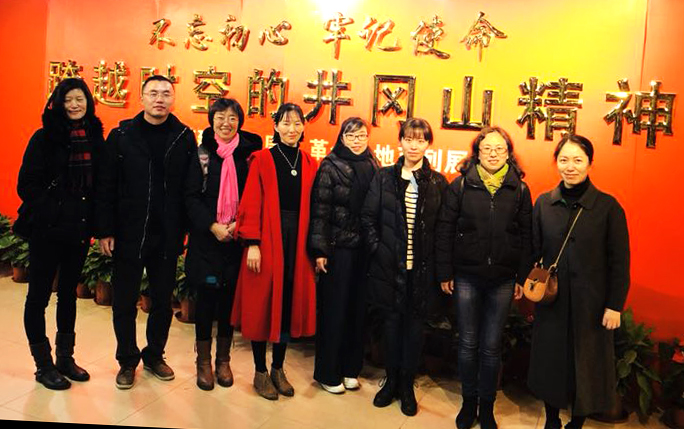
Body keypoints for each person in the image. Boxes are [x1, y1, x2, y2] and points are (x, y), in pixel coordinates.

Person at [95, 75, 197, 389]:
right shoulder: (122, 135)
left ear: (173, 99)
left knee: (162, 301)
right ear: (142, 98)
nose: (159, 99)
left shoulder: (184, 137)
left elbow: (190, 187)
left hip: (166, 234)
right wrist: (105, 230)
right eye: (153, 93)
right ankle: (127, 360)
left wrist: (186, 230)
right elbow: (105, 186)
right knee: (124, 301)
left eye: (166, 93)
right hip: (128, 232)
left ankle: (154, 355)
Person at [527, 134, 630, 429]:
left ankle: (577, 423)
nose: (570, 167)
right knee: (551, 364)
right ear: (556, 163)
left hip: (592, 305)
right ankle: (551, 420)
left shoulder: (608, 207)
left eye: (577, 160)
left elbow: (620, 262)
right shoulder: (544, 203)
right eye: (564, 160)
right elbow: (532, 250)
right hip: (553, 301)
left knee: (586, 368)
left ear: (589, 163)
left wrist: (614, 305)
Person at [435, 126, 533, 429]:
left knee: (491, 346)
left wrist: (521, 277)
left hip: (503, 279)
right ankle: (468, 404)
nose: (493, 154)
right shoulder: (461, 185)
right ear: (477, 152)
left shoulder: (520, 189)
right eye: (487, 148)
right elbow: (444, 229)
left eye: (499, 149)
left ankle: (486, 406)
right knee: (467, 343)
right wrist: (445, 271)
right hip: (466, 276)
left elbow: (527, 236)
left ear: (508, 153)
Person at [17, 78, 104, 390]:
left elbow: (100, 186)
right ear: (57, 103)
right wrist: (54, 210)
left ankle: (65, 358)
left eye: (80, 99)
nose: (74, 105)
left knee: (68, 294)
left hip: (78, 230)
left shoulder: (95, 137)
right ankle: (43, 365)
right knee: (38, 296)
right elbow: (26, 185)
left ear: (88, 102)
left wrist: (96, 225)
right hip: (47, 230)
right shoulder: (44, 137)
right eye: (68, 100)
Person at [360, 118, 447, 416]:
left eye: (420, 140)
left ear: (428, 144)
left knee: (414, 330)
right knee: (391, 327)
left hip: (420, 271)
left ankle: (407, 386)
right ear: (400, 142)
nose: (414, 145)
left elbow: (442, 230)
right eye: (409, 139)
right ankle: (391, 381)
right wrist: (378, 250)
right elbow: (368, 218)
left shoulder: (437, 183)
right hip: (388, 268)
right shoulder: (384, 177)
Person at [232, 103, 317, 400]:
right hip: (268, 238)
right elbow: (251, 201)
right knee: (262, 303)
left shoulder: (309, 162)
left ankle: (278, 368)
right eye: (286, 123)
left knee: (287, 303)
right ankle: (260, 371)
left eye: (297, 123)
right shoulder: (263, 159)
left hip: (298, 241)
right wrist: (252, 243)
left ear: (303, 128)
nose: (292, 129)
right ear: (276, 127)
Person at [184, 98, 262, 390]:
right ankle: (203, 362)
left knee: (229, 300)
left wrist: (238, 225)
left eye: (232, 118)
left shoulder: (249, 156)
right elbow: (190, 197)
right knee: (206, 300)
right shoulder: (201, 154)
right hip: (207, 239)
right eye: (220, 117)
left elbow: (255, 196)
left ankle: (223, 360)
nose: (226, 123)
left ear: (239, 122)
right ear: (211, 120)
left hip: (235, 240)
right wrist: (212, 226)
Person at [308, 117, 379, 394]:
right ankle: (328, 372)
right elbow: (320, 211)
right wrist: (320, 250)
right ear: (342, 137)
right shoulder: (330, 165)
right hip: (338, 250)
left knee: (357, 313)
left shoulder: (373, 164)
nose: (357, 140)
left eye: (361, 135)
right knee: (334, 312)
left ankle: (351, 369)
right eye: (351, 136)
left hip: (364, 250)